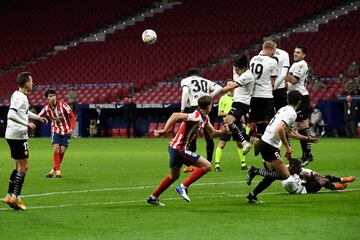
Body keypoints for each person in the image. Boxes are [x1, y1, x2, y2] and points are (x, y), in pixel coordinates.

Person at [147, 95, 230, 206]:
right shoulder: (196, 116)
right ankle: (183, 187)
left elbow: (213, 133)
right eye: (211, 104)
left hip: (174, 148)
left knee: (173, 176)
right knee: (207, 166)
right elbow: (175, 115)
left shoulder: (205, 118)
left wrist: (223, 131)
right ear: (208, 106)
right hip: (179, 149)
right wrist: (164, 130)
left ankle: (153, 197)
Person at [245, 90, 319, 204]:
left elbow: (290, 133)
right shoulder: (292, 113)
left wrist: (308, 139)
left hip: (265, 142)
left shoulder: (284, 109)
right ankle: (254, 170)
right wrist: (288, 147)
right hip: (270, 145)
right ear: (299, 102)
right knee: (285, 175)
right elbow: (280, 129)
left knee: (272, 175)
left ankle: (252, 195)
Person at [2, 72, 48, 210]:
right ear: (26, 83)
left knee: (17, 166)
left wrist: (38, 118)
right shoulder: (21, 97)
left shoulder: (17, 95)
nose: (33, 83)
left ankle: (9, 195)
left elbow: (23, 112)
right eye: (31, 81)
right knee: (24, 166)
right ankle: (16, 198)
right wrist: (26, 123)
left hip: (11, 134)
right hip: (18, 135)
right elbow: (11, 114)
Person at [180, 68, 223, 172]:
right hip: (206, 106)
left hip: (195, 106)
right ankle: (208, 161)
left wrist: (182, 108)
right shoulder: (205, 80)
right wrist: (209, 97)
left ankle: (191, 164)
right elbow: (220, 88)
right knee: (209, 135)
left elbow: (185, 92)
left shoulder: (186, 80)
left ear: (188, 75)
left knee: (191, 136)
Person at [285, 45, 314, 166]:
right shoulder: (294, 64)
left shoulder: (302, 64)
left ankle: (308, 154)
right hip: (293, 96)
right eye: (294, 52)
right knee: (295, 125)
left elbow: (294, 80)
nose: (295, 54)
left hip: (301, 97)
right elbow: (289, 83)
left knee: (302, 125)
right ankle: (303, 154)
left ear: (303, 55)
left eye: (298, 52)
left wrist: (279, 74)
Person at [39, 89, 76, 178]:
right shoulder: (46, 108)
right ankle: (58, 171)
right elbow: (38, 116)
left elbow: (73, 117)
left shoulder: (63, 105)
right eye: (50, 96)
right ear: (47, 99)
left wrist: (71, 128)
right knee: (56, 149)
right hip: (56, 130)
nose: (53, 97)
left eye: (54, 95)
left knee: (62, 152)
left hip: (66, 131)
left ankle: (52, 170)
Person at [214, 80, 250, 171]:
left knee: (240, 144)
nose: (231, 86)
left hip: (238, 123)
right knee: (222, 144)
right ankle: (217, 165)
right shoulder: (223, 98)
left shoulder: (238, 98)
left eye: (232, 84)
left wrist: (243, 123)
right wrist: (231, 114)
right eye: (228, 85)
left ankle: (243, 164)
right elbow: (219, 113)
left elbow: (241, 111)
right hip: (227, 123)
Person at [249, 40, 277, 142]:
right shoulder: (273, 62)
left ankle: (259, 140)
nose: (274, 53)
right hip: (266, 95)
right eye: (273, 50)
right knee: (270, 121)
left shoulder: (253, 59)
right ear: (270, 49)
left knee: (259, 122)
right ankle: (266, 144)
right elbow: (273, 83)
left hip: (254, 95)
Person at [282, 159, 356, 194]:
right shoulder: (287, 182)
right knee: (324, 180)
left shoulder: (292, 167)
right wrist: (304, 180)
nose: (300, 169)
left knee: (323, 176)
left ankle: (342, 179)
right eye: (298, 168)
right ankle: (334, 187)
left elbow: (304, 170)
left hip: (304, 182)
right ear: (293, 167)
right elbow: (297, 193)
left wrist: (313, 173)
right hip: (305, 190)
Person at [264, 34, 290, 111]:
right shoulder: (285, 54)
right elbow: (284, 74)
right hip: (279, 87)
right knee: (281, 113)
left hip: (266, 87)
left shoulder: (262, 52)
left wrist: (270, 87)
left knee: (268, 112)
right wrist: (274, 86)